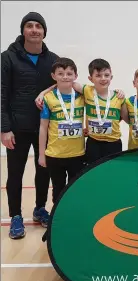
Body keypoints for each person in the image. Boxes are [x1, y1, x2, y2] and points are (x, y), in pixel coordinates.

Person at [1, 12, 59, 239]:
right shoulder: (7, 57)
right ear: (23, 30)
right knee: (15, 173)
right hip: (16, 128)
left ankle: (39, 208)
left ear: (44, 31)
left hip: (46, 128)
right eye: (29, 26)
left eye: (38, 26)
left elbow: (60, 85)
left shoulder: (53, 59)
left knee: (43, 170)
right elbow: (2, 93)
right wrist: (4, 128)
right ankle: (16, 215)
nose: (34, 30)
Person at [38, 58, 85, 205]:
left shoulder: (82, 97)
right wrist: (41, 155)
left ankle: (73, 218)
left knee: (75, 188)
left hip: (77, 154)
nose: (65, 76)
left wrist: (118, 91)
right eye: (61, 73)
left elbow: (99, 91)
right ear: (54, 76)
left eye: (69, 73)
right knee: (58, 189)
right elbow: (43, 127)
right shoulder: (48, 98)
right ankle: (56, 220)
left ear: (75, 76)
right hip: (54, 154)